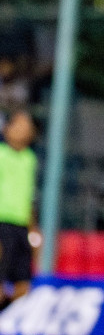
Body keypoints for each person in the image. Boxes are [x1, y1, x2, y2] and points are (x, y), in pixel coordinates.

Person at [0, 110, 38, 303]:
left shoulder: (30, 159)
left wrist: (33, 227)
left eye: (28, 126)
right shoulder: (1, 154)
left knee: (23, 286)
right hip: (2, 224)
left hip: (21, 227)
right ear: (7, 129)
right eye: (20, 125)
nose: (25, 130)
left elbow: (28, 196)